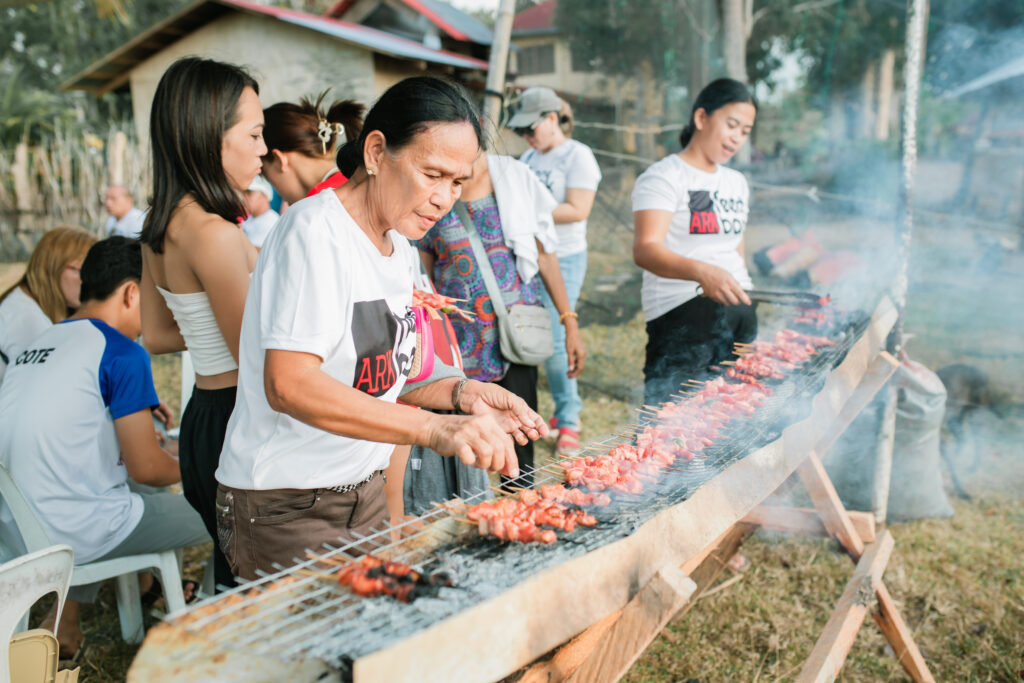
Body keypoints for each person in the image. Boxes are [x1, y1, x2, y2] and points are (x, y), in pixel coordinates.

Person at [215, 76, 548, 581]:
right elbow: (289, 385)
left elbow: (397, 372)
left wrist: (465, 393)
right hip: (287, 502)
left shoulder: (399, 248)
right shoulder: (315, 233)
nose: (444, 199)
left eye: (457, 182)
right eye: (432, 173)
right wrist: (434, 428)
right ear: (375, 152)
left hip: (361, 490)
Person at [0, 237, 211, 659]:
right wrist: (206, 464)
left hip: (17, 530)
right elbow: (148, 468)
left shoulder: (41, 342)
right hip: (75, 531)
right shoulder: (122, 352)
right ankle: (203, 615)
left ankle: (68, 623)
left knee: (118, 495)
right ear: (133, 293)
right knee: (231, 501)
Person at [138, 57, 264, 591]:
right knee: (263, 583)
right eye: (256, 134)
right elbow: (256, 357)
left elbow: (160, 335)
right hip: (243, 417)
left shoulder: (161, 227)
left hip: (202, 420)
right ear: (211, 137)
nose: (264, 148)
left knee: (234, 570)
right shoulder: (214, 233)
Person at [416, 149, 586, 494]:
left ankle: (519, 514)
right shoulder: (432, 195)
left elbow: (545, 255)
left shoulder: (514, 180)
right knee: (466, 447)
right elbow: (424, 277)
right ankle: (469, 513)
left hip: (517, 336)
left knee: (520, 440)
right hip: (460, 344)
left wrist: (569, 321)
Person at [632, 78, 758, 408]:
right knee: (669, 430)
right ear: (702, 118)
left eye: (745, 131)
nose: (737, 137)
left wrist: (744, 296)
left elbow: (734, 248)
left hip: (738, 314)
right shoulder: (664, 176)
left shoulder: (737, 182)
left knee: (730, 425)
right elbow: (646, 249)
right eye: (731, 124)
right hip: (684, 319)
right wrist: (703, 273)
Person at [508, 87, 601, 456]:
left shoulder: (577, 156)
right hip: (531, 255)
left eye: (531, 128)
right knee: (536, 337)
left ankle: (570, 419)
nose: (527, 137)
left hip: (565, 256)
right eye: (521, 132)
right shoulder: (529, 157)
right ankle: (561, 415)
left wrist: (527, 213)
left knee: (560, 339)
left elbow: (578, 209)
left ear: (551, 118)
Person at [0, 226, 96, 384]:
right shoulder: (27, 320)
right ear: (53, 268)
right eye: (85, 270)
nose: (91, 280)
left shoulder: (27, 303)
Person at [260, 92, 364, 204]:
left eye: (268, 178)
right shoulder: (357, 184)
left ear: (279, 160)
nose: (280, 195)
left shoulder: (315, 208)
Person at [241, 175, 279, 248]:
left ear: (264, 195)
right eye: (243, 193)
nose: (243, 197)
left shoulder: (270, 222)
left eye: (248, 192)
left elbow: (255, 255)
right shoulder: (249, 219)